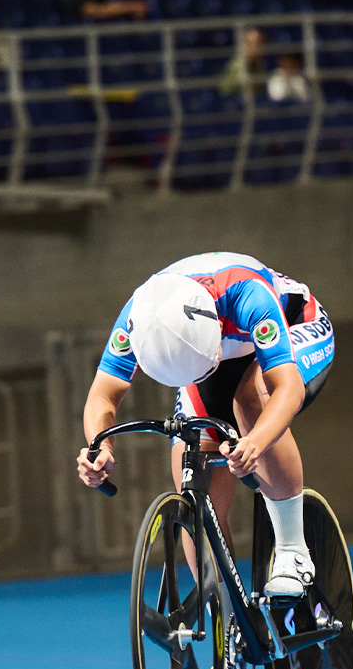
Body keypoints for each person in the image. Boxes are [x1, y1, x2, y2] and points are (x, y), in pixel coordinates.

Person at [77, 254, 337, 613]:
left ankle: (293, 551)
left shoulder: (246, 295)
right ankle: (228, 619)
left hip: (294, 326)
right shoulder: (137, 318)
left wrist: (255, 443)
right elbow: (103, 395)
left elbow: (287, 391)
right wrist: (100, 446)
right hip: (214, 357)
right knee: (189, 456)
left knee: (250, 402)